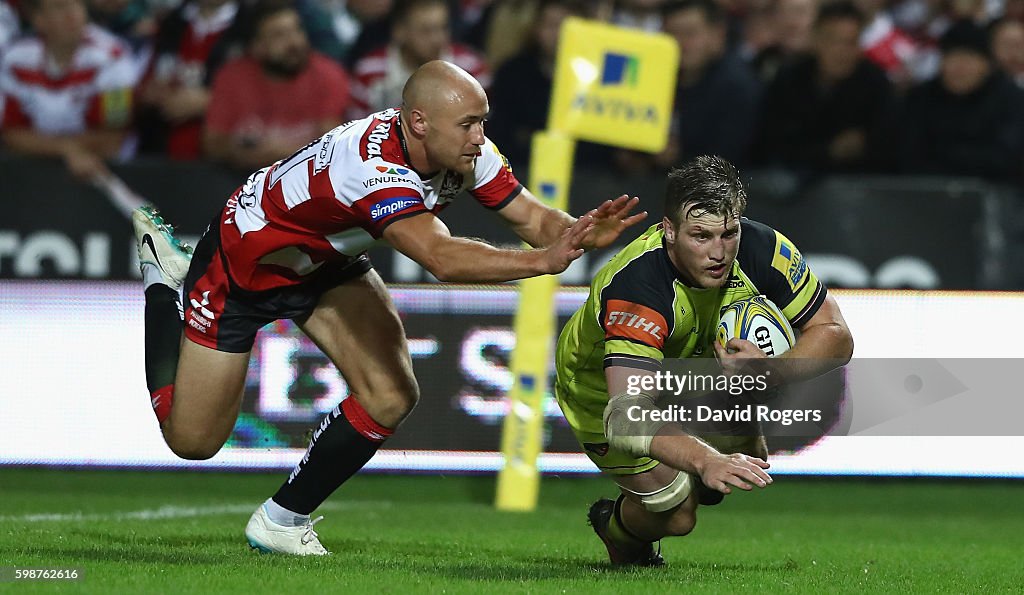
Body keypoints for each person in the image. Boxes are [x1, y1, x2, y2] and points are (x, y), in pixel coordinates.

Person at [133, 60, 647, 556]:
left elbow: (534, 220)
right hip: (244, 268)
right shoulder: (370, 167)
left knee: (390, 395)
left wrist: (576, 232)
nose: (480, 136)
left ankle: (282, 520)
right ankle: (164, 281)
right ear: (419, 122)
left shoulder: (465, 151)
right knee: (192, 441)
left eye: (482, 122)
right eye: (469, 124)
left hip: (325, 261)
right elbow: (440, 257)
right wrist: (542, 263)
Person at [553, 155, 853, 566]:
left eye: (728, 234)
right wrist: (705, 458)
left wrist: (771, 370)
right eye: (700, 236)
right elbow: (624, 416)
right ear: (669, 230)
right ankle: (617, 530)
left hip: (686, 371)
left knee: (743, 463)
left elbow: (837, 336)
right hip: (601, 391)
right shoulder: (639, 287)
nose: (718, 253)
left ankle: (700, 466)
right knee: (677, 511)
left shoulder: (763, 248)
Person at [203, 0, 352, 172]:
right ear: (257, 47)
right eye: (279, 35)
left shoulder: (328, 74)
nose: (294, 42)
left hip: (307, 179)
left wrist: (280, 154)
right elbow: (212, 143)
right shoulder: (231, 76)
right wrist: (243, 153)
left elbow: (332, 147)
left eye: (297, 30)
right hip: (240, 179)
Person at [753, 0, 895, 175]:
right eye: (832, 40)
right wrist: (829, 151)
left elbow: (887, 152)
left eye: (850, 42)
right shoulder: (790, 80)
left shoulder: (876, 85)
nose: (840, 51)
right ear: (815, 39)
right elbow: (773, 144)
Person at [0, 0, 136, 180]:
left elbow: (112, 138)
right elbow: (9, 135)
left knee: (151, 210)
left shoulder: (114, 57)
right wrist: (66, 150)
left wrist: (44, 145)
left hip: (115, 174)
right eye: (60, 7)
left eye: (77, 5)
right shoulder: (15, 60)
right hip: (34, 176)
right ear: (38, 19)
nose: (72, 15)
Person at [348, 0, 489, 119]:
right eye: (426, 31)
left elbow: (483, 129)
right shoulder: (370, 71)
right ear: (399, 31)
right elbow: (358, 132)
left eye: (442, 28)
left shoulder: (470, 68)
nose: (437, 39)